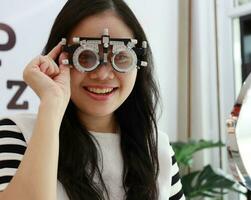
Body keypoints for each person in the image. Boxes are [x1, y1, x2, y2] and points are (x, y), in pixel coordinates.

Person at [0, 0, 185, 200]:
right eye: (85, 57)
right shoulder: (18, 133)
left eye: (121, 57)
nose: (103, 74)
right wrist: (52, 105)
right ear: (58, 57)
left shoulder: (157, 149)